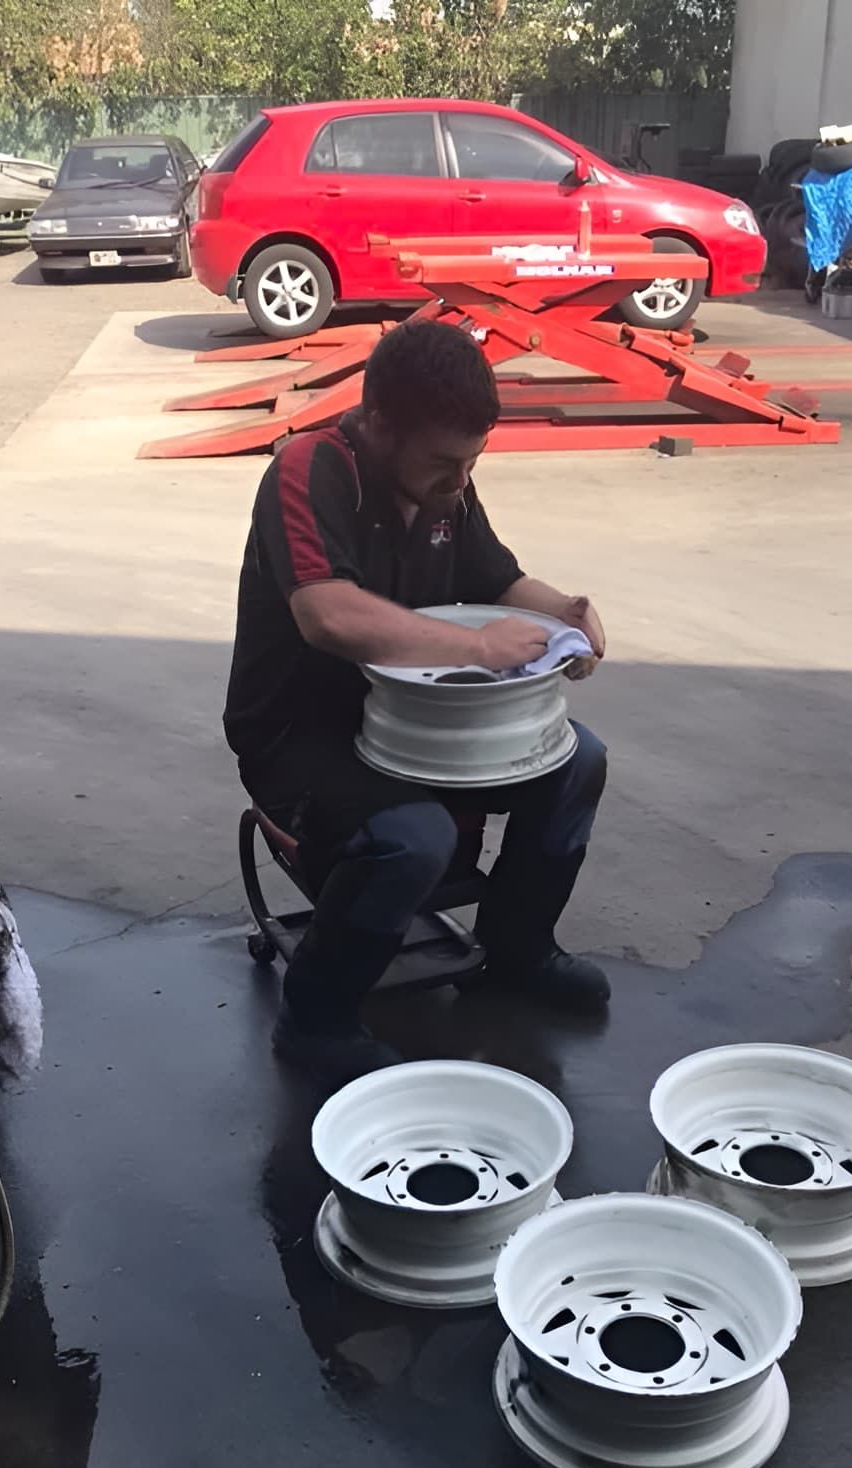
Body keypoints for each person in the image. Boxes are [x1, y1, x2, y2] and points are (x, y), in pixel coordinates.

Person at [224, 320, 609, 1084]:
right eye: (445, 462)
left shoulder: (442, 487)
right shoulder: (309, 471)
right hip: (301, 738)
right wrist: (476, 649)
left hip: (413, 727)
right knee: (415, 835)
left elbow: (498, 579)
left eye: (473, 459)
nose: (461, 481)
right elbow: (326, 614)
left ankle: (517, 951)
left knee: (577, 761)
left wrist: (563, 612)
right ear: (378, 425)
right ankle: (316, 1017)